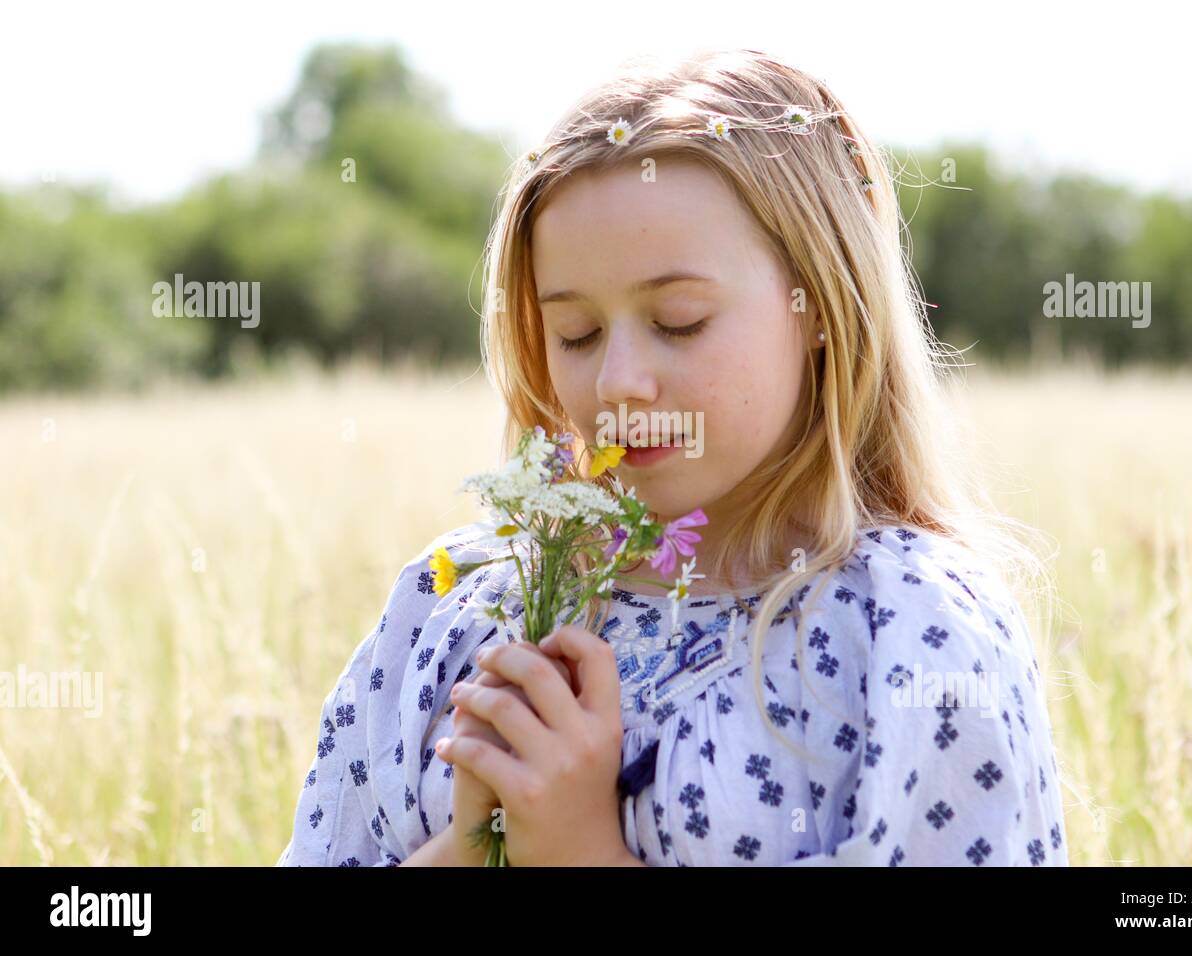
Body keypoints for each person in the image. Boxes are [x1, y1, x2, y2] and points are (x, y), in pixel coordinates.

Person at [276, 47, 1069, 867]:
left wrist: (581, 851)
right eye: (575, 333)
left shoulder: (908, 634)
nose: (619, 381)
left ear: (823, 306)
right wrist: (474, 849)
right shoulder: (455, 607)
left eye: (680, 319)